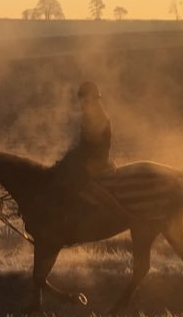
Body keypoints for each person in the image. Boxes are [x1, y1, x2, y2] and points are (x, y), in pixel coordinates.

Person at [54, 82, 132, 217]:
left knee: (75, 179)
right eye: (82, 99)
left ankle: (94, 211)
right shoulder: (91, 115)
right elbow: (84, 144)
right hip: (91, 157)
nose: (82, 103)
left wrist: (72, 157)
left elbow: (89, 145)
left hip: (96, 160)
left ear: (93, 99)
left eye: (85, 99)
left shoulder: (96, 117)